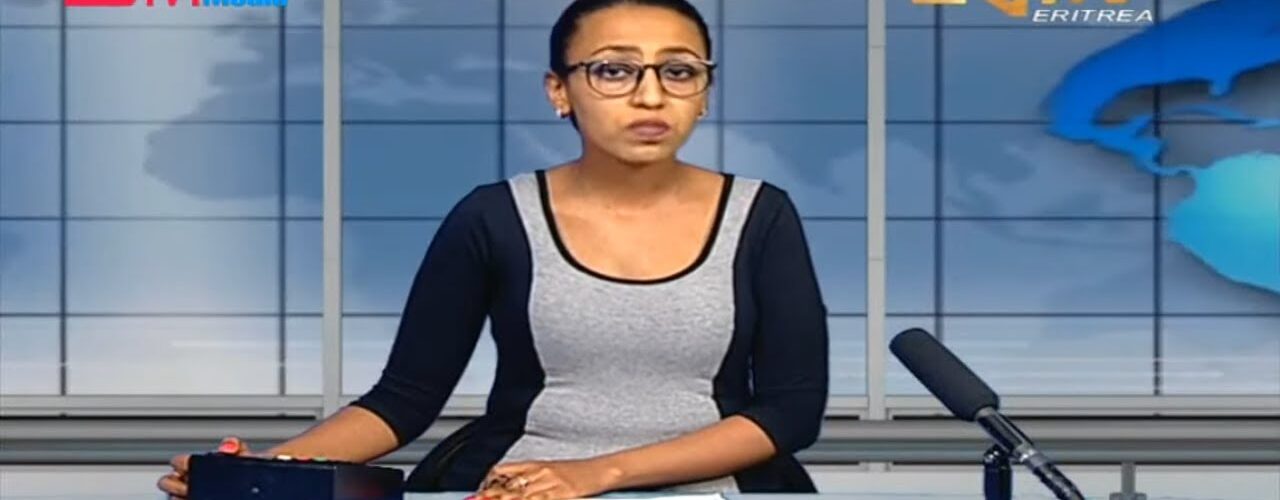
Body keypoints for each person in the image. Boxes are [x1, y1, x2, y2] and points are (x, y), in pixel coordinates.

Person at [158, 0, 828, 498]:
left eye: (679, 71)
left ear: (703, 94)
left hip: (723, 490)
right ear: (559, 91)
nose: (650, 95)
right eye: (614, 70)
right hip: (513, 486)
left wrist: (597, 474)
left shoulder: (761, 215)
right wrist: (259, 474)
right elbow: (404, 400)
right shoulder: (492, 216)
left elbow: (790, 409)